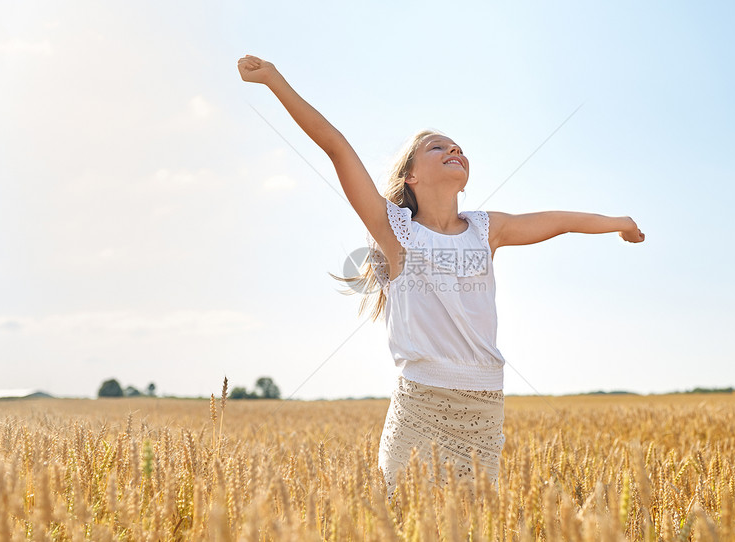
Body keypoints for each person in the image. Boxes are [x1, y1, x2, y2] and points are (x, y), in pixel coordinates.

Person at [237, 54, 645, 499]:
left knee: (472, 524)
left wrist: (618, 221)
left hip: (484, 409)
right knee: (404, 520)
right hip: (420, 406)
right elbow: (335, 146)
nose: (454, 150)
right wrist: (274, 80)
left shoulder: (488, 229)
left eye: (458, 147)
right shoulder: (395, 230)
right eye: (438, 147)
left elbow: (558, 220)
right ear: (411, 175)